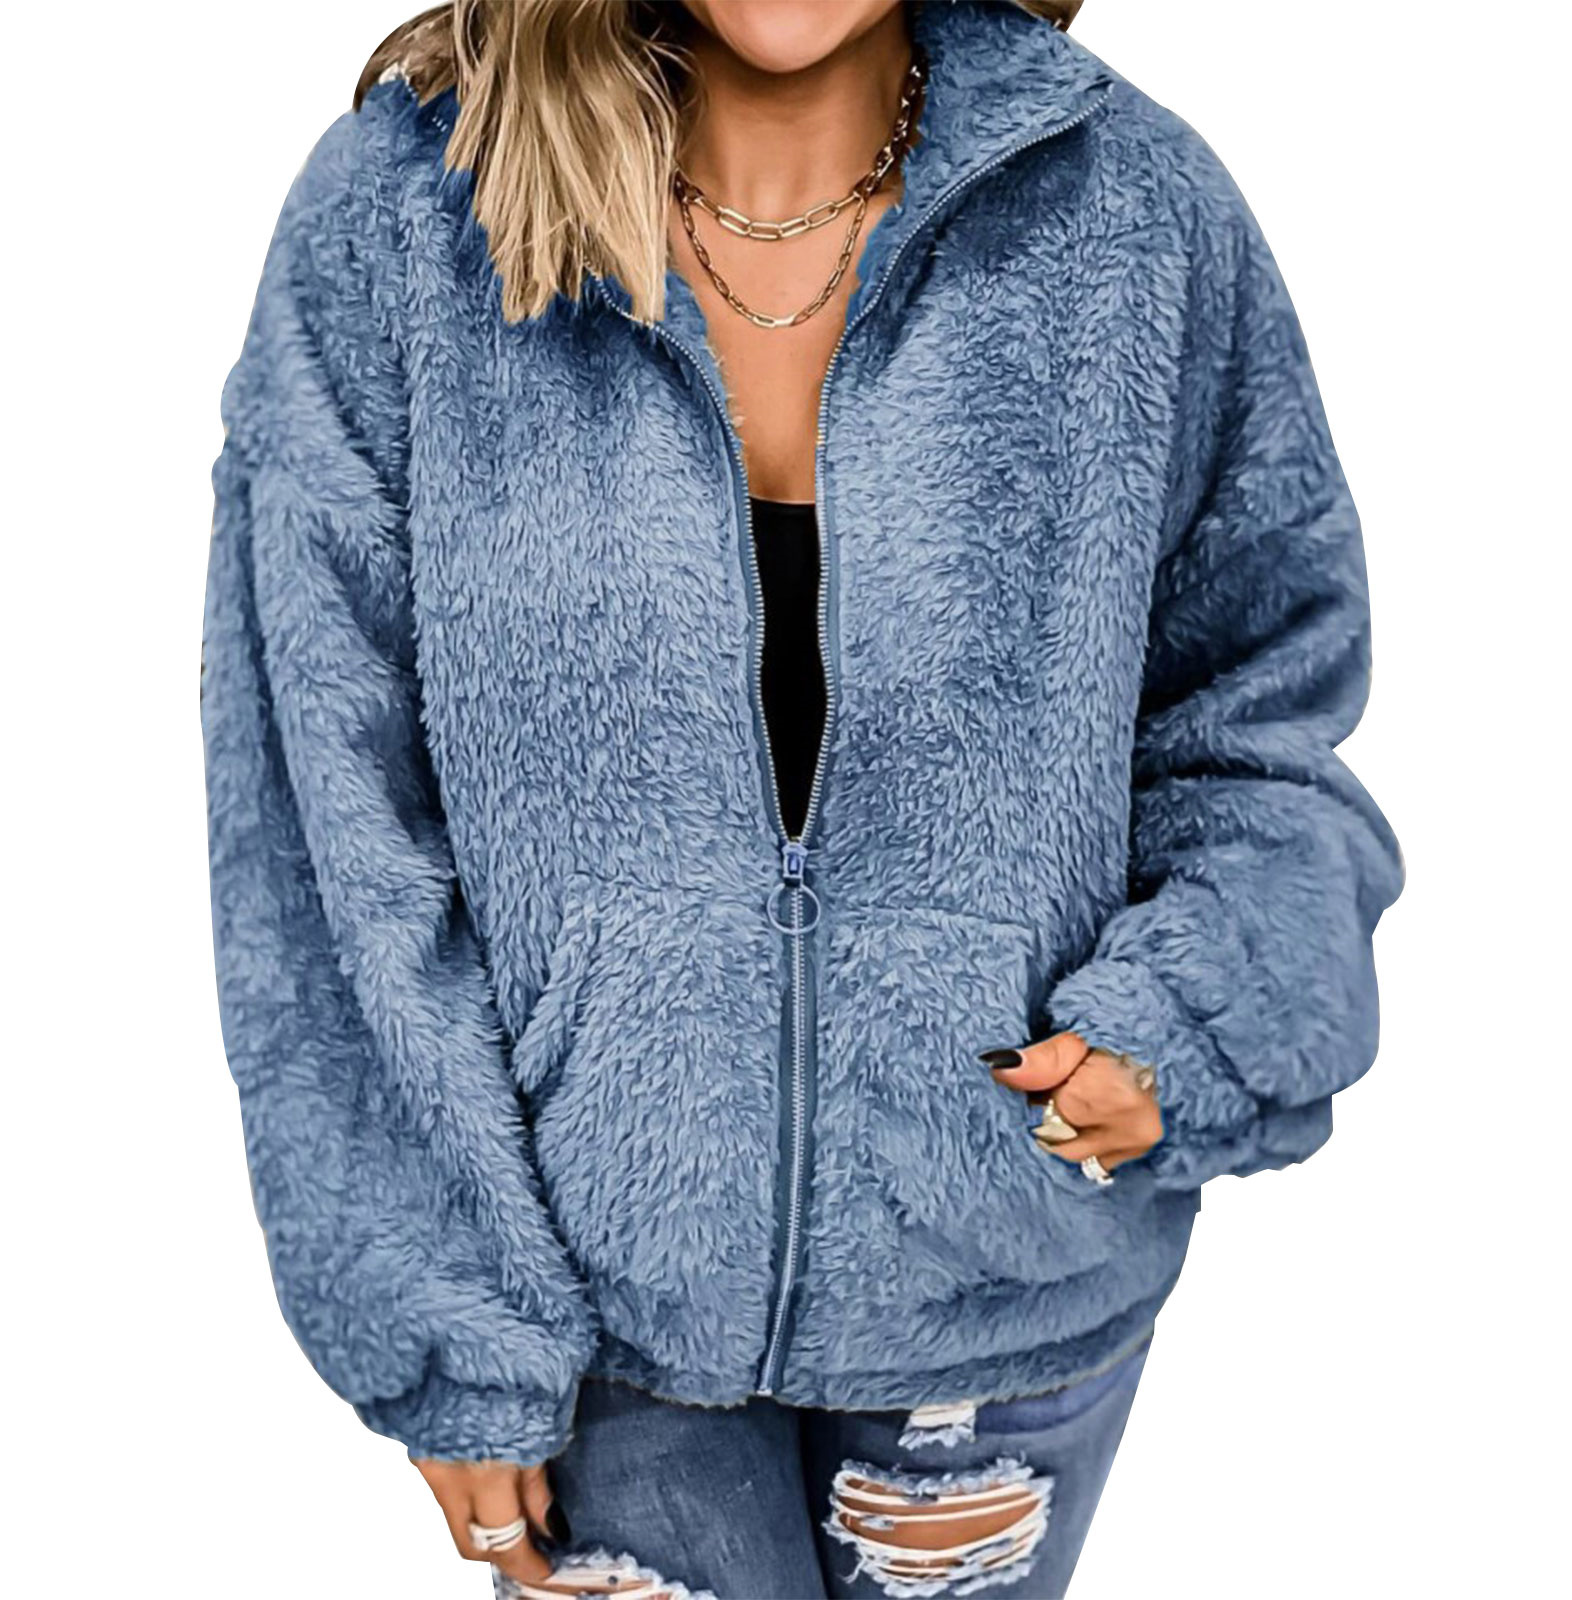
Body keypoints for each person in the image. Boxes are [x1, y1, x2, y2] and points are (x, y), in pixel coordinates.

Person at [199, 1, 1405, 1594]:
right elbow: (317, 825)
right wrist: (443, 1317)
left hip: (1002, 1297)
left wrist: (1187, 1020)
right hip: (591, 1304)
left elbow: (1256, 714)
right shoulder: (408, 216)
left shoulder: (1133, 214)